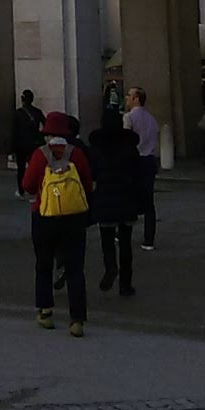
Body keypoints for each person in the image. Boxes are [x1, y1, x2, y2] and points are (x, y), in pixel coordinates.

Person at [23, 111, 92, 334]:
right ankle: (77, 320)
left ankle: (45, 312)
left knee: (43, 265)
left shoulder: (40, 154)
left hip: (44, 215)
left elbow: (28, 185)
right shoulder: (76, 154)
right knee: (75, 268)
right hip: (74, 217)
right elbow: (87, 184)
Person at [88, 107, 142, 297]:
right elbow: (137, 172)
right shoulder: (129, 146)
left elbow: (92, 173)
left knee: (107, 238)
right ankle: (126, 284)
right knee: (126, 242)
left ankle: (110, 267)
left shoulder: (97, 148)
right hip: (126, 194)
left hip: (105, 194)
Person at [124, 85, 160, 250]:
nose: (126, 98)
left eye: (129, 95)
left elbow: (126, 140)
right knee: (148, 202)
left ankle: (124, 234)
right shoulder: (152, 119)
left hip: (135, 161)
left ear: (136, 99)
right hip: (150, 160)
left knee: (129, 198)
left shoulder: (129, 117)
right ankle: (149, 239)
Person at [11, 89, 45, 198]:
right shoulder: (37, 112)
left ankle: (21, 190)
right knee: (34, 167)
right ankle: (35, 190)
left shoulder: (18, 113)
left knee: (21, 168)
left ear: (22, 99)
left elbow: (14, 131)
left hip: (21, 144)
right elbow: (45, 124)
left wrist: (12, 148)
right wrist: (40, 135)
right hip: (34, 143)